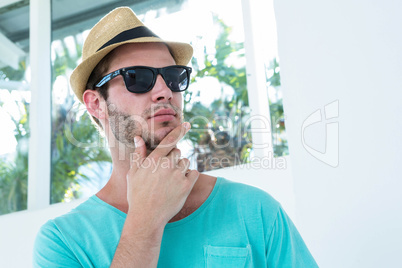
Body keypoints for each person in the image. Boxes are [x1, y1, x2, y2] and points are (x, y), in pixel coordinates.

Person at [33, 7, 318, 267]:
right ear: (96, 103)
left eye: (173, 77)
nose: (165, 91)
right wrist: (144, 222)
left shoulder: (256, 211)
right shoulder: (63, 242)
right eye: (137, 77)